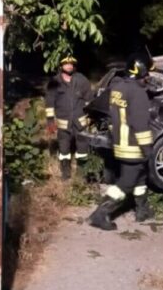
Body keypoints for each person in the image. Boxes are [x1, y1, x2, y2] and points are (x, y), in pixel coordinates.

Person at [88, 53, 155, 231]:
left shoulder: (118, 88)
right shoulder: (138, 93)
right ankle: (100, 214)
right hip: (133, 145)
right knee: (126, 182)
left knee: (140, 177)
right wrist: (147, 148)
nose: (148, 78)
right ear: (140, 72)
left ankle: (142, 210)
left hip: (120, 142)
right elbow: (140, 124)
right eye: (147, 74)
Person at [45, 54, 93, 180]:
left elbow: (89, 100)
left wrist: (90, 117)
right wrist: (50, 121)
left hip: (80, 123)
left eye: (71, 64)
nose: (69, 66)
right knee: (64, 151)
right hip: (63, 124)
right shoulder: (54, 82)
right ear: (61, 66)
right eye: (66, 64)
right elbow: (49, 103)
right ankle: (65, 174)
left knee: (83, 149)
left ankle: (82, 175)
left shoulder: (82, 80)